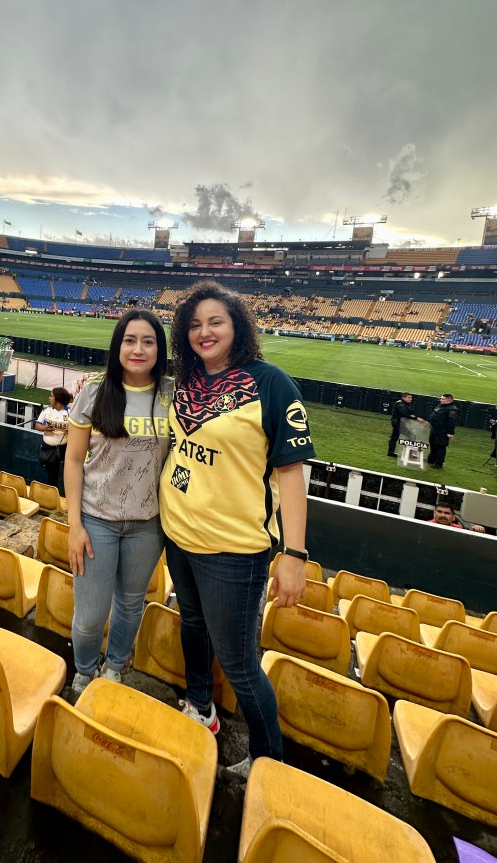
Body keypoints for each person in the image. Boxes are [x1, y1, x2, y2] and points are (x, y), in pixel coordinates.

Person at [158, 280, 314, 778]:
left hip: (234, 551)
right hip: (178, 535)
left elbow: (291, 474)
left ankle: (270, 762)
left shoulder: (271, 383)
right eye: (195, 325)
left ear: (237, 326)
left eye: (216, 322)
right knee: (193, 626)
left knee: (242, 664)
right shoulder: (185, 382)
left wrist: (295, 554)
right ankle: (201, 708)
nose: (204, 332)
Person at [66, 309, 172, 692]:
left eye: (148, 341)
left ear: (159, 349)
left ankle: (114, 667)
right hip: (97, 519)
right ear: (118, 345)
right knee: (90, 616)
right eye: (130, 340)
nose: (138, 349)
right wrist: (74, 525)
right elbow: (74, 460)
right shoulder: (95, 392)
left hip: (148, 524)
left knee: (130, 606)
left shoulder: (172, 395)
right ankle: (83, 670)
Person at [35, 387, 72, 488]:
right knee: (52, 476)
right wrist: (45, 428)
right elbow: (37, 425)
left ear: (58, 399)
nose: (49, 398)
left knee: (68, 476)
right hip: (49, 449)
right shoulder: (47, 411)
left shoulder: (69, 412)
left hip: (65, 448)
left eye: (51, 396)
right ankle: (53, 498)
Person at [387, 392, 424, 457]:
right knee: (412, 436)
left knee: (394, 437)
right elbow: (404, 414)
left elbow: (409, 412)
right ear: (403, 397)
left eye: (411, 397)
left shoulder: (405, 403)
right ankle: (408, 453)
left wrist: (412, 416)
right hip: (398, 423)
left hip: (399, 423)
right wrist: (417, 418)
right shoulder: (400, 404)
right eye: (408, 397)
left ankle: (391, 452)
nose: (410, 399)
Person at [428, 394, 457, 469]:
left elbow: (452, 422)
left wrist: (450, 433)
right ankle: (432, 459)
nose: (441, 400)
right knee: (433, 444)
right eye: (441, 398)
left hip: (442, 431)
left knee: (440, 447)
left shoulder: (452, 409)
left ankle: (439, 463)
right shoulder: (440, 405)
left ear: (449, 400)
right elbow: (434, 414)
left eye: (443, 399)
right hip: (434, 429)